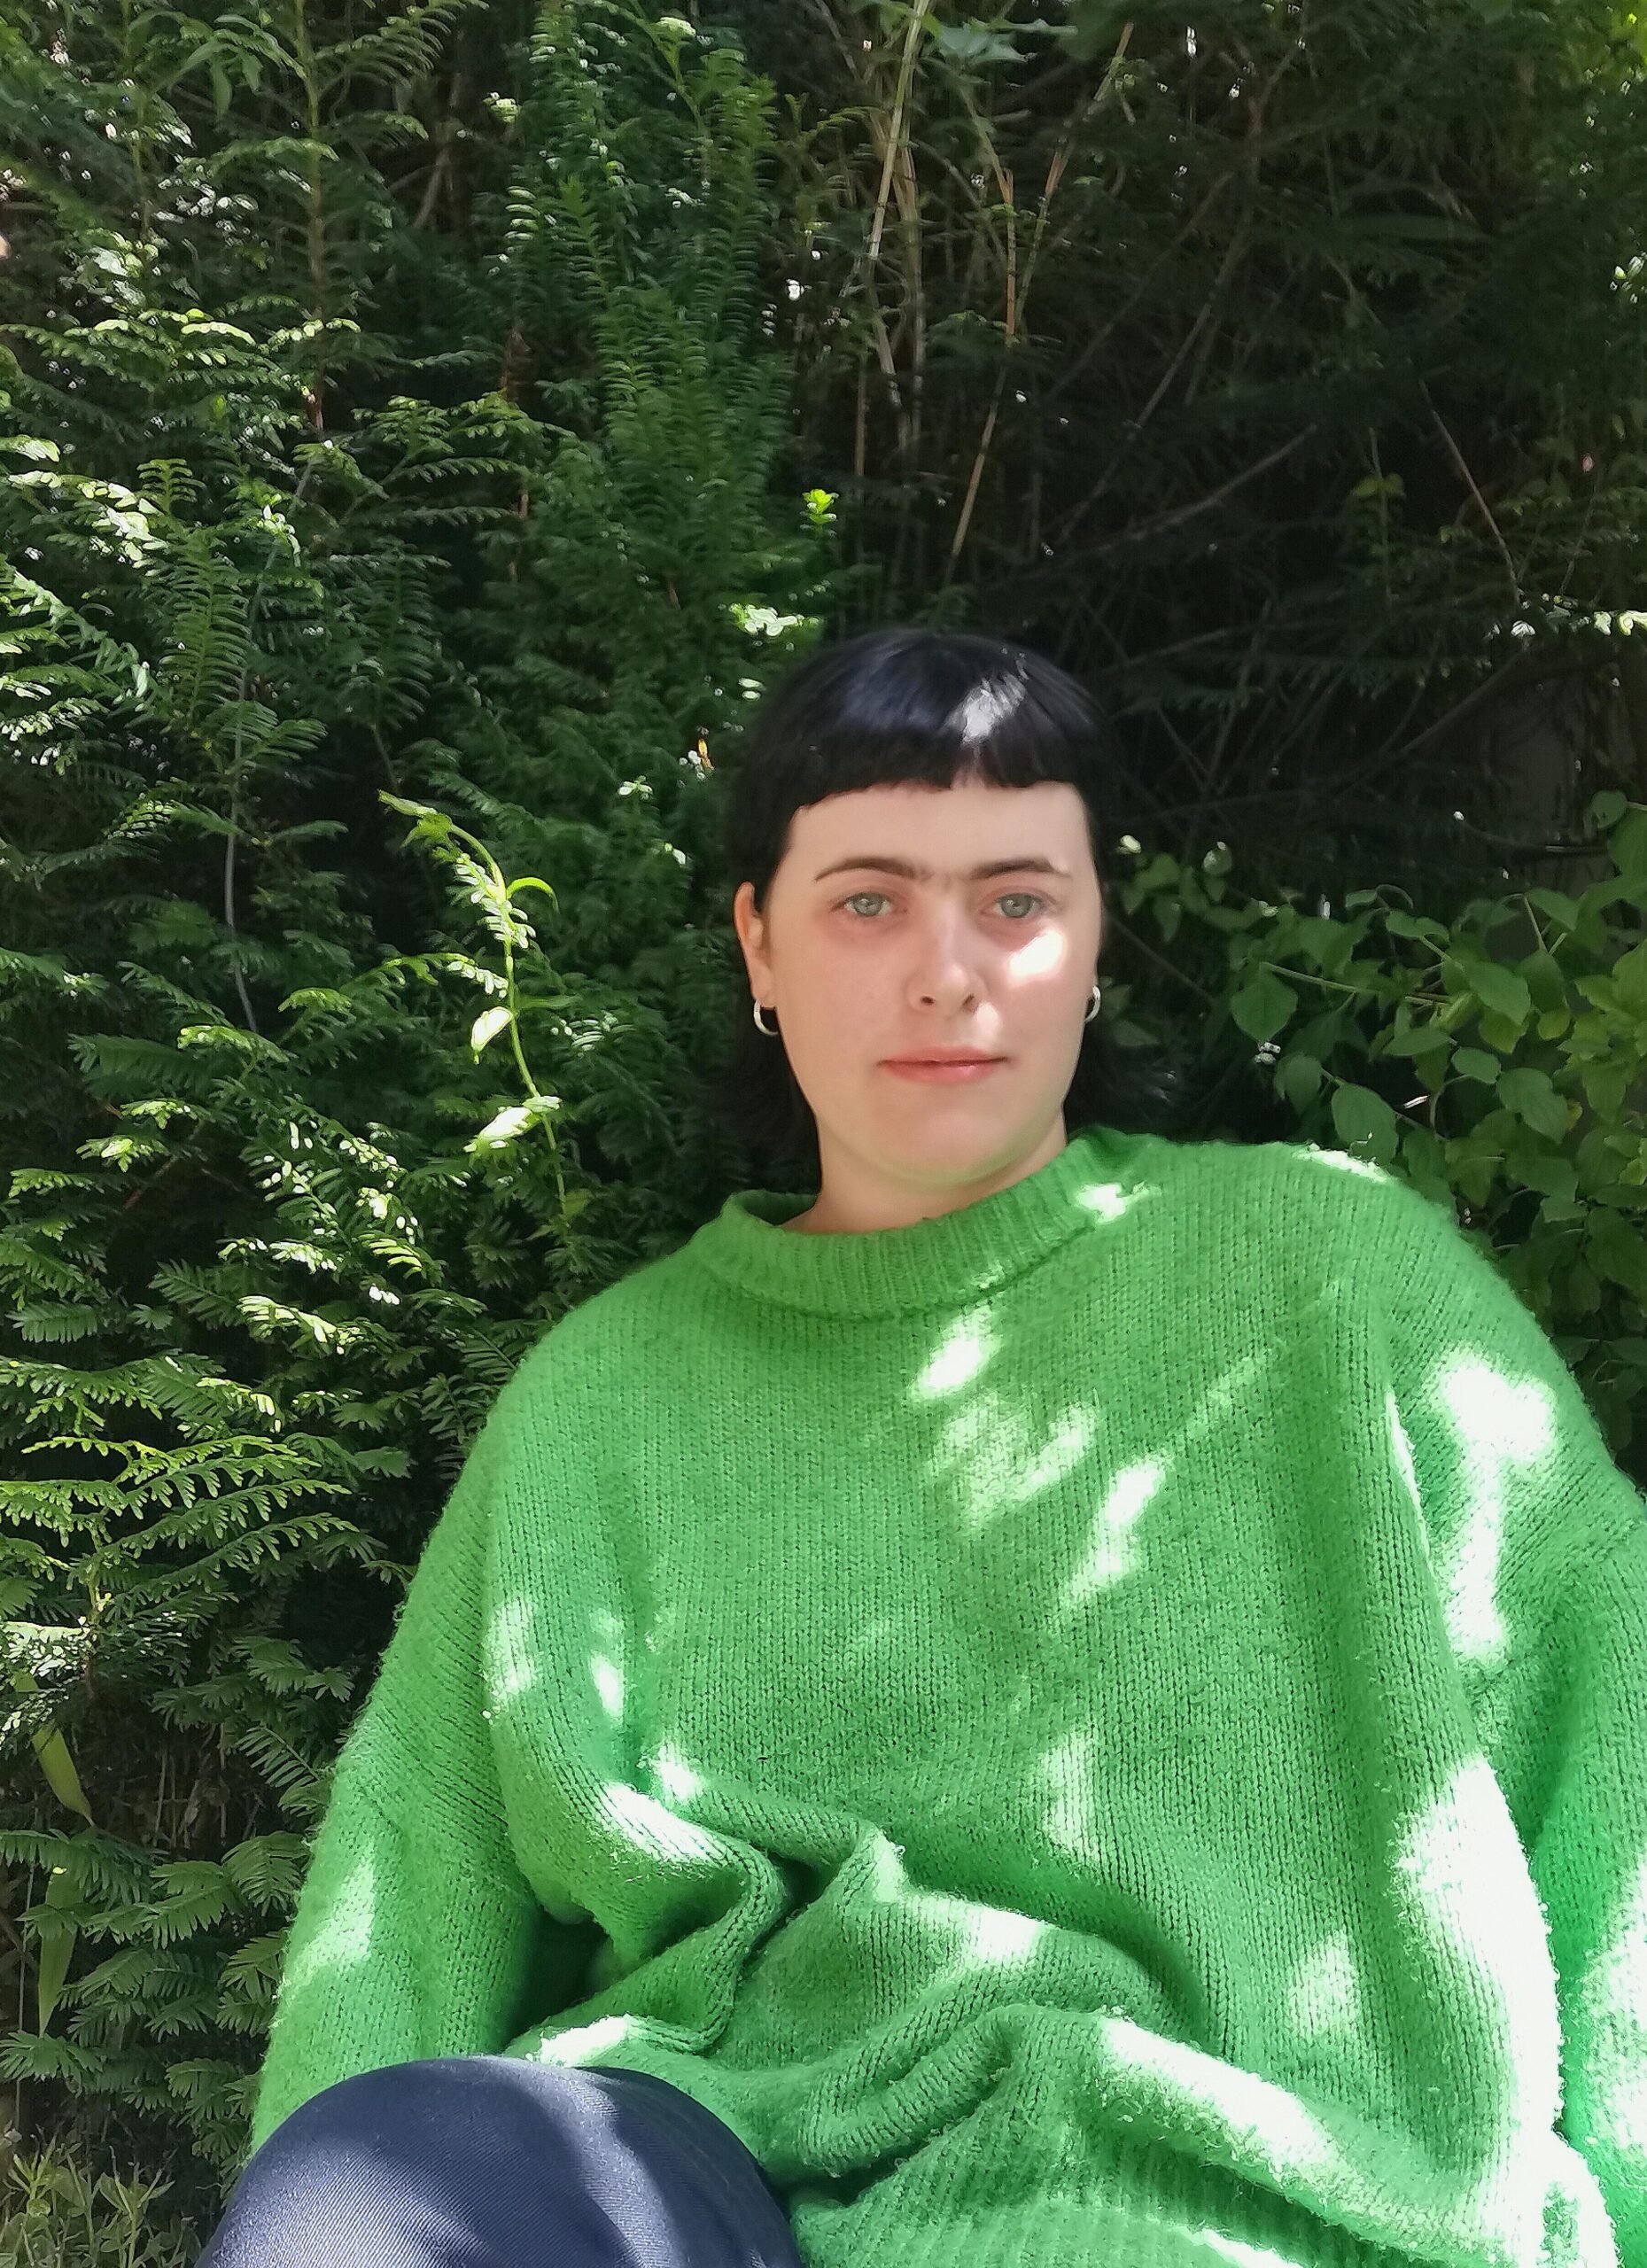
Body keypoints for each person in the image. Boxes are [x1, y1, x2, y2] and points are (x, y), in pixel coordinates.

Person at [202, 626, 1647, 2268]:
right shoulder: (600, 1400)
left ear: (1097, 938)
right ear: (758, 943)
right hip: (711, 2160)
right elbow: (405, 1899)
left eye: (1016, 901)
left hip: (1251, 2191)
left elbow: (1623, 1771)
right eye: (868, 899)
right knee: (380, 2182)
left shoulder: (1336, 1281)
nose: (948, 971)